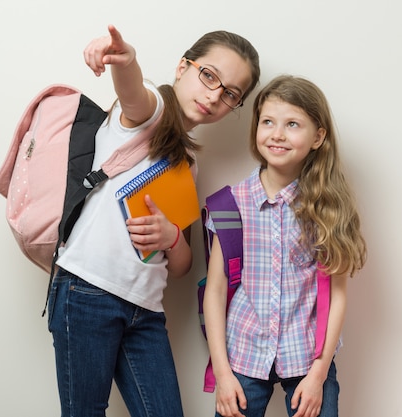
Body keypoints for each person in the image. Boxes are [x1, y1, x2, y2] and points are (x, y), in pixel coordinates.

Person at [46, 24, 260, 417]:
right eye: (208, 75)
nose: (214, 96)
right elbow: (134, 94)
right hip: (87, 292)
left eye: (230, 93)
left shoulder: (189, 163)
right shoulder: (150, 116)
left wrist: (170, 237)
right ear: (183, 67)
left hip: (144, 309)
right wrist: (125, 59)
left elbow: (180, 268)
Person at [203, 75, 367, 417]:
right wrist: (222, 374)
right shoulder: (230, 204)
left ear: (318, 136)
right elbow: (215, 292)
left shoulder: (329, 208)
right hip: (243, 356)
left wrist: (319, 373)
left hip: (308, 358)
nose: (277, 134)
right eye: (268, 122)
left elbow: (337, 294)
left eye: (292, 124)